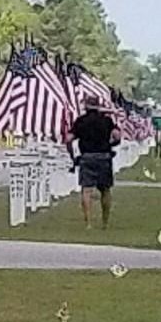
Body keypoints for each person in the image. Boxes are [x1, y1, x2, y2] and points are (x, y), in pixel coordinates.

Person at [67, 96, 120, 229]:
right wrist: (111, 144)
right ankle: (105, 222)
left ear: (85, 106)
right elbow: (117, 136)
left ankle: (88, 223)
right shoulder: (107, 120)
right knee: (106, 190)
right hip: (104, 157)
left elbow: (69, 139)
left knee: (86, 190)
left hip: (87, 157)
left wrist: (72, 156)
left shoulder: (80, 121)